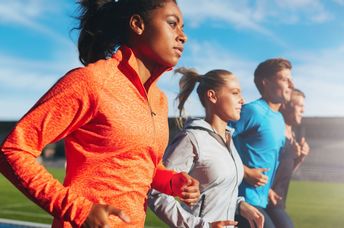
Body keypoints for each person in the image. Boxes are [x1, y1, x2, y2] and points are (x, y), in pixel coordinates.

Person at [0, 1, 201, 227]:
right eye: (173, 24)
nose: (182, 36)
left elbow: (141, 166)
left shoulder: (160, 101)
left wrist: (171, 182)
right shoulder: (92, 82)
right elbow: (13, 150)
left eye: (183, 28)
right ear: (137, 24)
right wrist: (79, 210)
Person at [149, 67, 264, 228]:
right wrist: (201, 226)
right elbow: (156, 193)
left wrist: (239, 205)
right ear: (212, 96)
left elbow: (215, 189)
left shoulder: (228, 138)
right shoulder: (192, 138)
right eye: (235, 93)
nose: (242, 100)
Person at [229, 58, 294, 228]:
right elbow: (218, 139)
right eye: (284, 79)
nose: (291, 84)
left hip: (262, 199)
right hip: (241, 199)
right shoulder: (253, 111)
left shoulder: (279, 118)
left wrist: (269, 190)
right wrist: (245, 171)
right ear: (265, 82)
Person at [267, 89, 310, 228]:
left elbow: (285, 172)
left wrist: (300, 158)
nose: (303, 110)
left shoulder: (292, 135)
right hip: (263, 200)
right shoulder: (273, 131)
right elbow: (255, 163)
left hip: (278, 202)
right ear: (285, 105)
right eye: (300, 105)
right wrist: (265, 189)